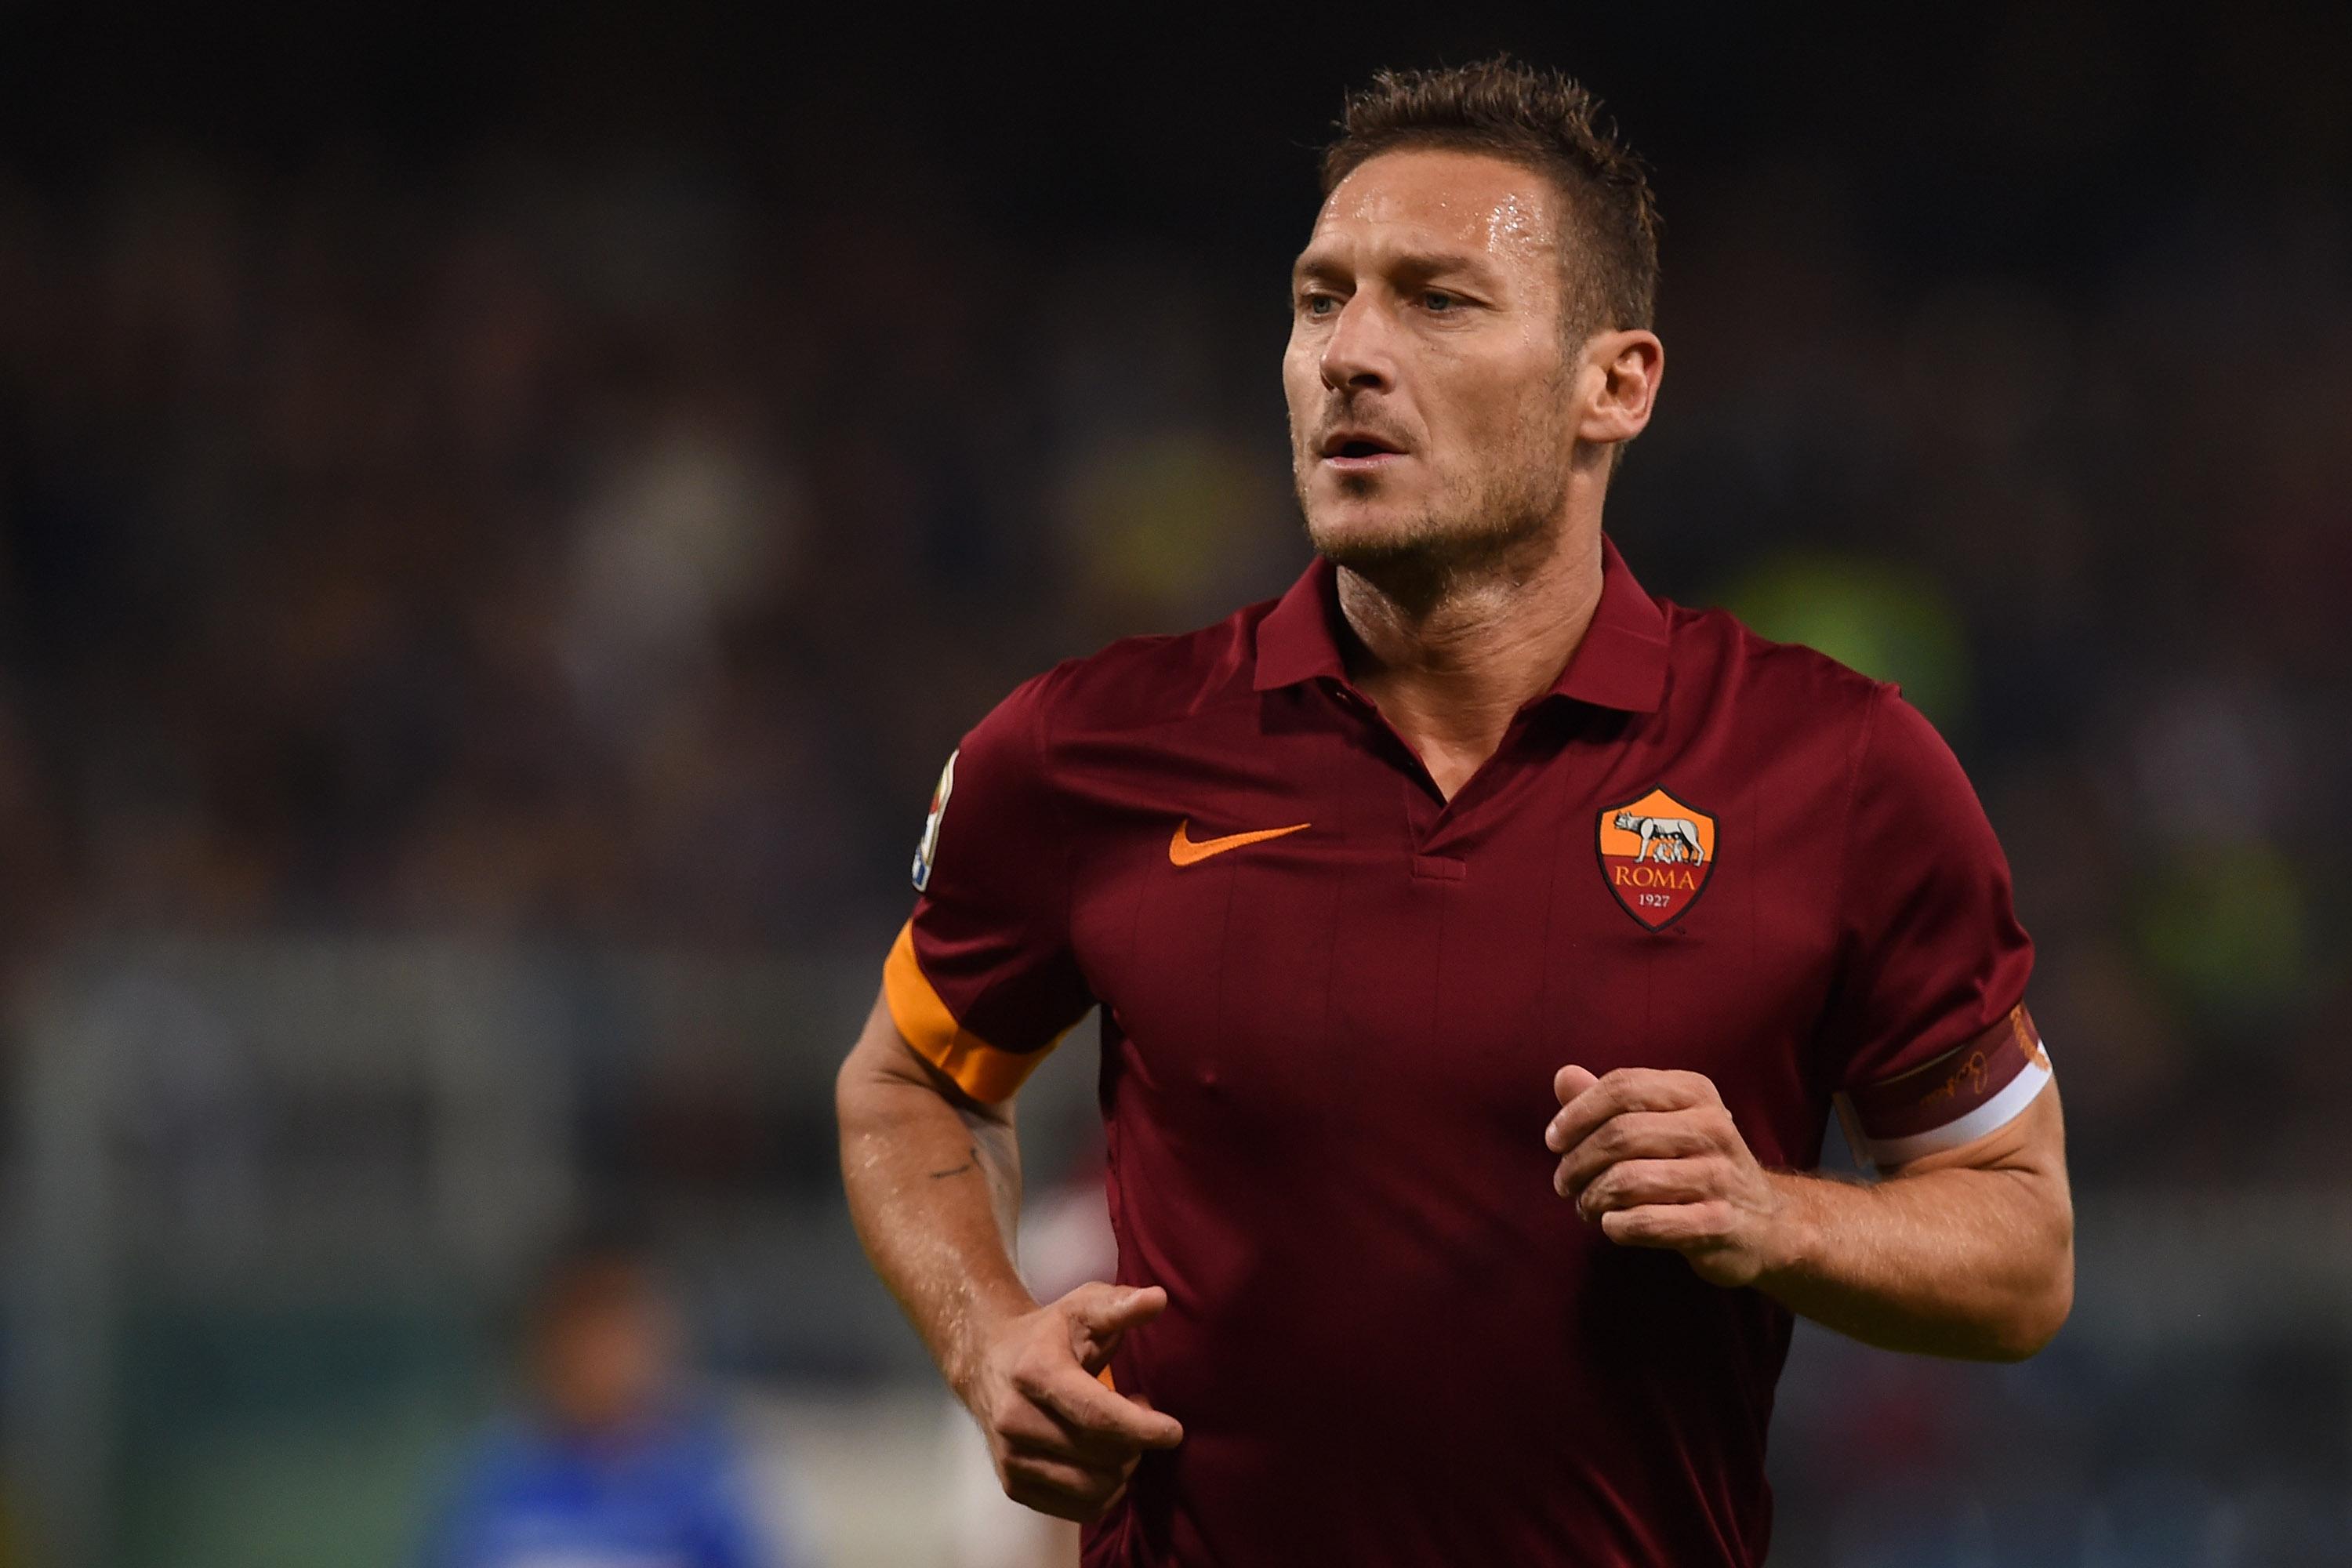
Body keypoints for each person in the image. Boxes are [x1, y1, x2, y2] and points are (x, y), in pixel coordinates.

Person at [835, 56, 2071, 1568]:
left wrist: (1777, 1217)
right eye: (1317, 299)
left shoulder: (1836, 769)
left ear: (1612, 385)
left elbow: (2021, 1248)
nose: (1348, 353)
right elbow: (912, 1088)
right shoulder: (1087, 751)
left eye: (1437, 301)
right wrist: (985, 1339)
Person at [417, 1232, 796, 1568]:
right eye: (586, 1323)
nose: (603, 1350)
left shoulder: (709, 1489)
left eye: (620, 1324)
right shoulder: (490, 1485)